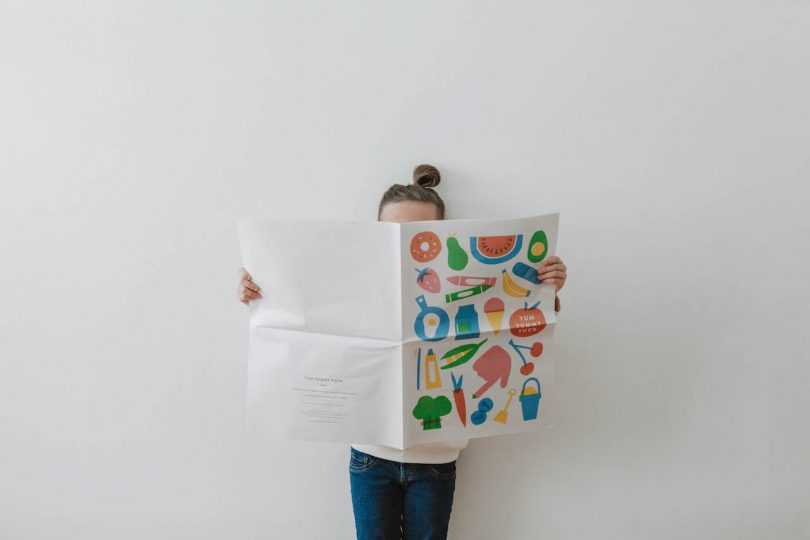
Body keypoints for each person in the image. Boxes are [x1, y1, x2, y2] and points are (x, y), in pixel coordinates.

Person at [237, 164, 568, 539]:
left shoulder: (465, 276)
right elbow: (302, 314)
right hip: (369, 455)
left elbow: (517, 323)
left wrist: (548, 292)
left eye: (417, 233)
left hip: (436, 459)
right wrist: (259, 292)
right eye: (391, 232)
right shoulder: (352, 280)